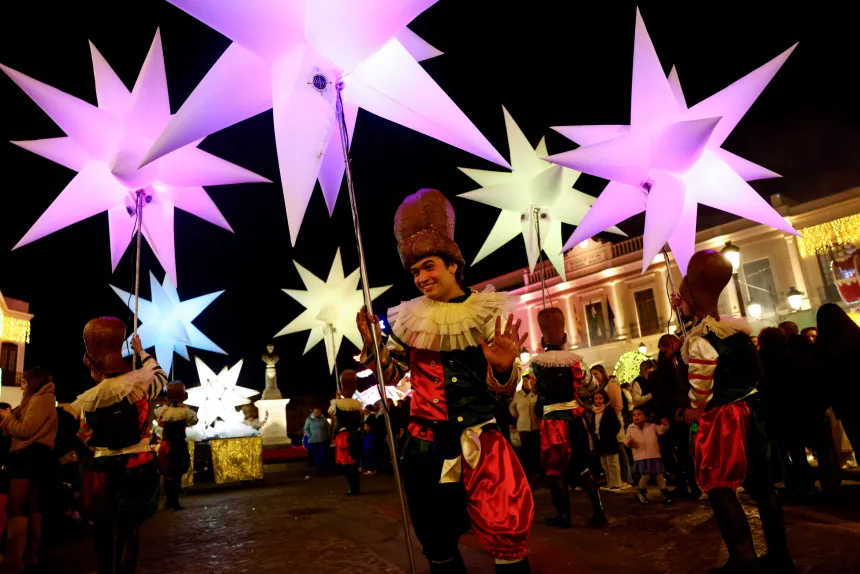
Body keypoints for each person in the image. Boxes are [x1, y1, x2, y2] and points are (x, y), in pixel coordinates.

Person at [357, 189, 532, 573]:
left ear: (453, 264)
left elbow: (506, 387)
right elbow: (394, 375)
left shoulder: (486, 312)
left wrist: (504, 369)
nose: (421, 278)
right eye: (415, 271)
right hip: (426, 448)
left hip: (482, 444)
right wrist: (374, 347)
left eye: (429, 266)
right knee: (437, 542)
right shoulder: (410, 318)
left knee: (507, 533)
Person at [675, 250, 793, 573]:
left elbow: (701, 385)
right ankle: (780, 557)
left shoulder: (701, 340)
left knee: (719, 487)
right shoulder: (736, 333)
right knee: (763, 487)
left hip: (723, 420)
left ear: (694, 297)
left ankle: (744, 559)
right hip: (750, 414)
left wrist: (694, 408)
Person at [72, 319, 167, 574]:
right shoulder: (141, 387)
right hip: (138, 468)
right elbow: (161, 375)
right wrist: (141, 351)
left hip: (104, 470)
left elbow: (85, 436)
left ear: (96, 367)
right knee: (129, 528)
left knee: (103, 526)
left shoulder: (90, 400)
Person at [531, 307, 607, 529]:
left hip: (552, 422)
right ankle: (599, 512)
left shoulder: (536, 364)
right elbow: (593, 386)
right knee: (583, 466)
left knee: (554, 469)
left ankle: (564, 516)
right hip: (574, 420)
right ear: (564, 338)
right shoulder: (575, 361)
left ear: (542, 339)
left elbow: (534, 388)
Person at [0, 367, 58, 573]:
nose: (22, 386)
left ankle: (14, 559)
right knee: (31, 504)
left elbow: (26, 430)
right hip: (32, 456)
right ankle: (29, 554)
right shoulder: (37, 400)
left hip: (28, 456)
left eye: (24, 382)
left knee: (16, 506)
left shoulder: (41, 400)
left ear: (33, 382)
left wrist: (8, 418)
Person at [154, 381, 198, 511]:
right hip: (178, 445)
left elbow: (160, 424)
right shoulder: (185, 412)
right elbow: (192, 422)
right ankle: (174, 501)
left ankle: (169, 500)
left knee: (167, 474)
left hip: (165, 445)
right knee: (177, 474)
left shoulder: (163, 411)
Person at [623, 408, 672, 505]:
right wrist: (628, 443)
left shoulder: (652, 426)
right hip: (641, 456)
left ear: (645, 417)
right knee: (646, 474)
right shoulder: (630, 428)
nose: (636, 417)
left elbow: (661, 430)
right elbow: (626, 439)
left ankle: (664, 493)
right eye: (634, 415)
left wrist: (665, 425)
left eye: (639, 414)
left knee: (659, 474)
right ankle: (640, 491)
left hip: (653, 454)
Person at [330, 371, 363, 495]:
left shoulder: (337, 404)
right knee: (352, 462)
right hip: (354, 435)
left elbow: (331, 412)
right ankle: (355, 486)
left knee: (347, 464)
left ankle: (354, 487)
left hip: (344, 436)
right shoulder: (357, 404)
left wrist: (336, 399)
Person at [589, 390, 623, 491]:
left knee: (612, 463)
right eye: (596, 399)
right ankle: (609, 483)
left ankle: (616, 484)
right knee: (604, 463)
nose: (598, 401)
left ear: (604, 399)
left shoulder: (609, 410)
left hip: (609, 440)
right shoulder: (594, 412)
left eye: (600, 398)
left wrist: (610, 435)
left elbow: (617, 425)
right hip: (599, 441)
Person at [509, 375, 539, 479]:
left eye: (528, 381)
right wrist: (514, 413)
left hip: (535, 426)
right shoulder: (518, 395)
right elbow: (511, 406)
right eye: (524, 381)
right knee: (526, 450)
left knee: (535, 450)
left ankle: (537, 471)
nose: (526, 383)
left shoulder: (535, 393)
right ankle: (527, 473)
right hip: (523, 426)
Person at [303, 407, 331, 476]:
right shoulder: (309, 419)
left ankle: (325, 469)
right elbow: (306, 428)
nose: (317, 413)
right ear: (313, 412)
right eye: (315, 412)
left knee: (323, 455)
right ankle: (318, 470)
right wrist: (309, 435)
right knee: (316, 455)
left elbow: (328, 427)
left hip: (323, 439)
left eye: (318, 412)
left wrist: (328, 435)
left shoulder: (323, 419)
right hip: (313, 440)